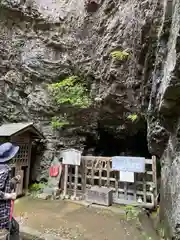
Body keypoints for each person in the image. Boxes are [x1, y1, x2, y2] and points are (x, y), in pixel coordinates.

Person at [0, 142, 21, 240]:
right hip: (2, 212)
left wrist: (14, 180)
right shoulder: (3, 170)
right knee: (9, 231)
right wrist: (10, 196)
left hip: (4, 211)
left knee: (14, 227)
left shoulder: (3, 167)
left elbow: (4, 185)